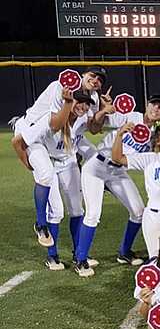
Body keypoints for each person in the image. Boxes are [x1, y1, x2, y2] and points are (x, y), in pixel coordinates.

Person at [11, 66, 107, 247]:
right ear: (83, 74)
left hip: (58, 139)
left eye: (100, 80)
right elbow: (54, 125)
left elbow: (93, 128)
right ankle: (41, 224)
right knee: (46, 175)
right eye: (93, 76)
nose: (95, 81)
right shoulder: (61, 87)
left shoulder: (92, 98)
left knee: (76, 204)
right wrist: (26, 162)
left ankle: (79, 254)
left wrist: (102, 111)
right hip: (34, 130)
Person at [74, 95, 160, 277]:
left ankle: (124, 252)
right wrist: (104, 109)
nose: (155, 109)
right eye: (153, 105)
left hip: (118, 172)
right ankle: (80, 259)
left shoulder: (156, 133)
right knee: (93, 214)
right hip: (97, 166)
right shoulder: (131, 116)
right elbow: (99, 123)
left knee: (139, 211)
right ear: (147, 104)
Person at [11, 88, 96, 270]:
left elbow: (91, 132)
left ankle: (78, 254)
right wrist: (27, 163)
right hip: (49, 160)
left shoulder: (82, 120)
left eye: (86, 103)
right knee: (57, 211)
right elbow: (18, 142)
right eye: (78, 101)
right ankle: (52, 255)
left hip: (68, 161)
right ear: (69, 101)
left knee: (77, 208)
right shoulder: (52, 118)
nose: (82, 106)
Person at [112, 122, 160, 259]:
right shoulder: (150, 159)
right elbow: (117, 158)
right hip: (155, 217)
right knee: (156, 259)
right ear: (158, 142)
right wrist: (119, 135)